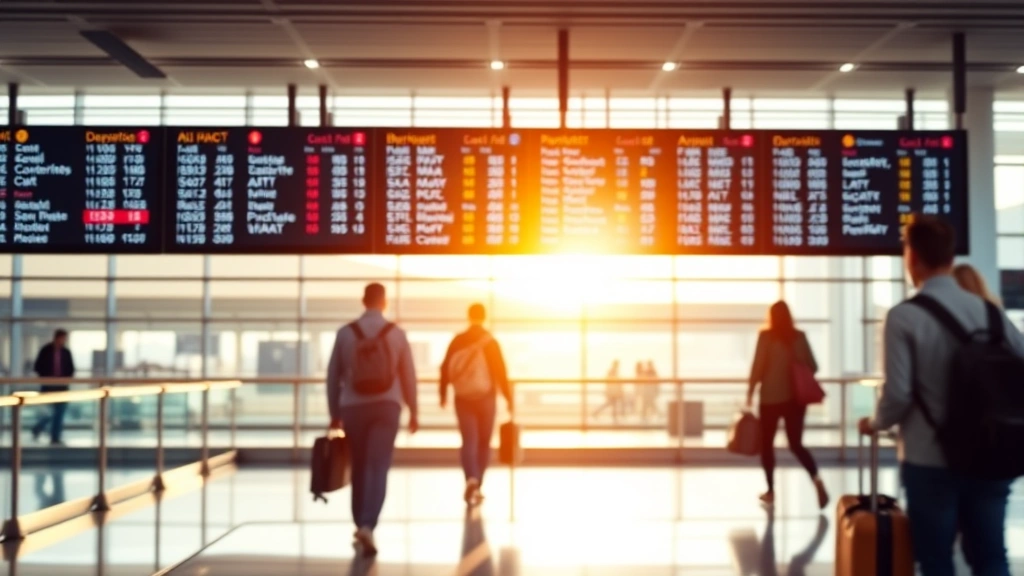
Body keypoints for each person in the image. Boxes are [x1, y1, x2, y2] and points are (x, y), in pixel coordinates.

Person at [858, 216, 1024, 576]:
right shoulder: (989, 312)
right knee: (991, 557)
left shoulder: (904, 317)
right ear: (951, 258)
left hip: (930, 457)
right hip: (993, 451)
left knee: (936, 560)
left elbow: (898, 394)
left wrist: (875, 423)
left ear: (912, 257)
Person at [326, 283, 418, 557]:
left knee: (358, 466)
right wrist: (414, 410)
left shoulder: (346, 333)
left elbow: (333, 376)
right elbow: (409, 375)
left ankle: (359, 523)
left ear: (363, 301)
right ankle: (368, 524)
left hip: (353, 407)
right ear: (384, 302)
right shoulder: (396, 333)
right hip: (387, 407)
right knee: (378, 466)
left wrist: (334, 412)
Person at [747, 301, 828, 509]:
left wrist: (750, 391)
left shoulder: (766, 337)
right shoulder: (799, 337)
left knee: (767, 445)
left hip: (770, 399)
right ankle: (816, 479)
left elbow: (757, 367)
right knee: (796, 444)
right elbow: (814, 366)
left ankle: (770, 491)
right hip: (795, 400)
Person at [439, 303, 513, 506]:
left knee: (468, 441)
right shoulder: (490, 342)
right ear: (484, 316)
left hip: (462, 397)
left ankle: (470, 478)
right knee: (484, 442)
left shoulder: (458, 339)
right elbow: (501, 372)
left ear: (468, 316)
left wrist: (443, 394)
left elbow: (445, 367)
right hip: (486, 398)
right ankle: (478, 483)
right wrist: (508, 398)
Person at [31, 329, 75, 445]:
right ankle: (38, 428)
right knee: (49, 413)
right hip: (48, 386)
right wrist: (47, 378)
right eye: (62, 338)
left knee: (59, 412)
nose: (63, 341)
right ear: (57, 338)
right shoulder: (46, 350)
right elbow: (38, 366)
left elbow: (70, 368)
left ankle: (55, 437)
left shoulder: (66, 352)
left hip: (62, 387)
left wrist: (65, 380)